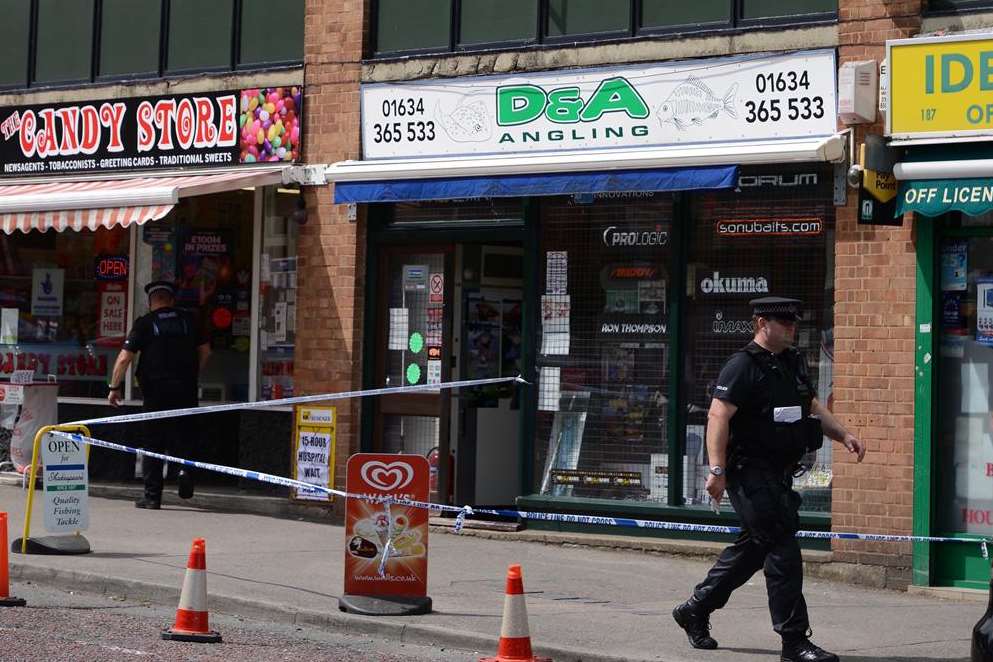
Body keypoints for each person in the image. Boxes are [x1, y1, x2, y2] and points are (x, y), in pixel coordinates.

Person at [672, 297, 866, 662]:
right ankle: (794, 641)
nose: (792, 327)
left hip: (778, 474)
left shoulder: (791, 361)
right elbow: (717, 417)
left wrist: (844, 434)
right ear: (762, 323)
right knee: (782, 551)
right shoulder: (742, 365)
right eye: (784, 322)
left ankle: (694, 609)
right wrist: (717, 470)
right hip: (748, 473)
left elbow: (811, 406)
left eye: (794, 322)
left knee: (753, 549)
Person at [107, 281, 210, 509]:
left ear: (151, 301)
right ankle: (185, 471)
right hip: (185, 389)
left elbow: (125, 358)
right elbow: (205, 350)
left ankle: (152, 496)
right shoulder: (189, 320)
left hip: (155, 392)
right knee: (186, 436)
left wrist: (114, 387)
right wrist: (194, 374)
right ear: (172, 300)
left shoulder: (145, 323)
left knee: (153, 442)